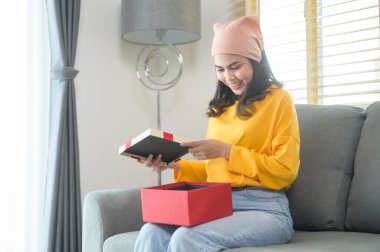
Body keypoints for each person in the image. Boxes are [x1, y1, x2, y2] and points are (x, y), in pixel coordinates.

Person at [134, 15, 300, 252]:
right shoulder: (221, 109)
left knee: (186, 238)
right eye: (220, 69)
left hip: (265, 208)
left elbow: (286, 170)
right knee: (151, 231)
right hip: (217, 203)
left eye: (235, 67)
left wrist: (227, 151)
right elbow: (216, 172)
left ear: (256, 60)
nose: (228, 77)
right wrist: (174, 165)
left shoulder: (279, 100)